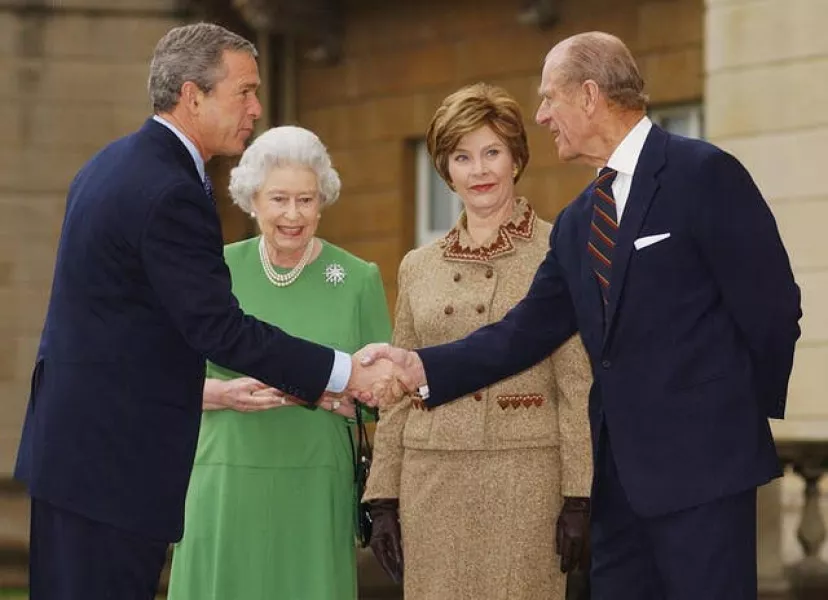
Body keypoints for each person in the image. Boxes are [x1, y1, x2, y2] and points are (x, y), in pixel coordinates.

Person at [362, 32, 802, 600]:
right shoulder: (578, 221)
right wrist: (417, 365)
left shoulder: (704, 174)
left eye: (550, 98)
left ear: (589, 95)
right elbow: (521, 333)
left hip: (705, 478)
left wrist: (731, 418)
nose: (543, 115)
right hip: (617, 492)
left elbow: (773, 309)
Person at [13, 23, 395, 600]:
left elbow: (134, 328)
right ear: (193, 96)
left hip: (79, 456)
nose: (257, 107)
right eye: (243, 91)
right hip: (112, 467)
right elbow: (217, 327)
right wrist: (341, 373)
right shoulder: (169, 188)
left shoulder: (111, 164)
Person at [362, 83, 593, 600]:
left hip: (524, 481)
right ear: (446, 171)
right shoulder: (417, 267)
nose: (480, 170)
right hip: (431, 483)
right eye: (462, 157)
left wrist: (579, 495)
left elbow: (576, 384)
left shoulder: (556, 249)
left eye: (492, 152)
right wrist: (383, 500)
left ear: (516, 158)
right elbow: (398, 393)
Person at [166, 125, 392, 600]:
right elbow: (162, 379)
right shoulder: (214, 271)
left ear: (323, 200)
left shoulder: (356, 279)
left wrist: (341, 395)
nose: (293, 215)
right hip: (224, 479)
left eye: (306, 200)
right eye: (279, 199)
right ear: (252, 200)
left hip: (313, 484)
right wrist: (222, 394)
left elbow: (386, 398)